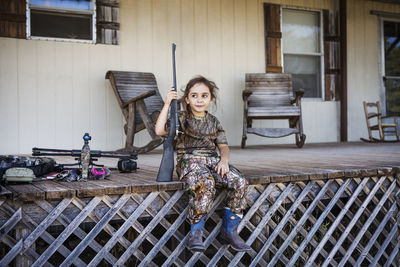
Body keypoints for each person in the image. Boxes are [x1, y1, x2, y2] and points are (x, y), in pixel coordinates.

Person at [155, 76, 250, 252]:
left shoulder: (214, 121)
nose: (199, 100)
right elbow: (160, 130)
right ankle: (196, 232)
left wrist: (224, 160)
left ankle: (230, 231)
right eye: (194, 95)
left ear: (211, 99)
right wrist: (168, 103)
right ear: (187, 99)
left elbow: (224, 147)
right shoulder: (182, 118)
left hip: (213, 161)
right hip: (189, 161)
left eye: (204, 95)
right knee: (206, 183)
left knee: (240, 181)